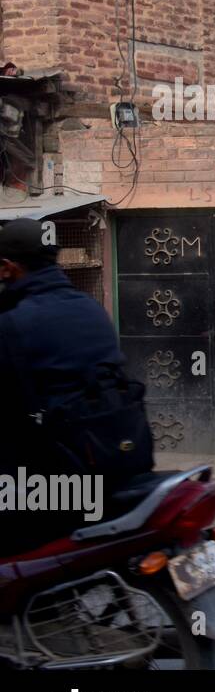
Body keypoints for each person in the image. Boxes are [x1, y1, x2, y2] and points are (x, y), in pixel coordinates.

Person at [0, 217, 138, 556]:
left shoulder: (14, 324)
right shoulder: (90, 308)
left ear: (7, 268)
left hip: (60, 480)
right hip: (119, 459)